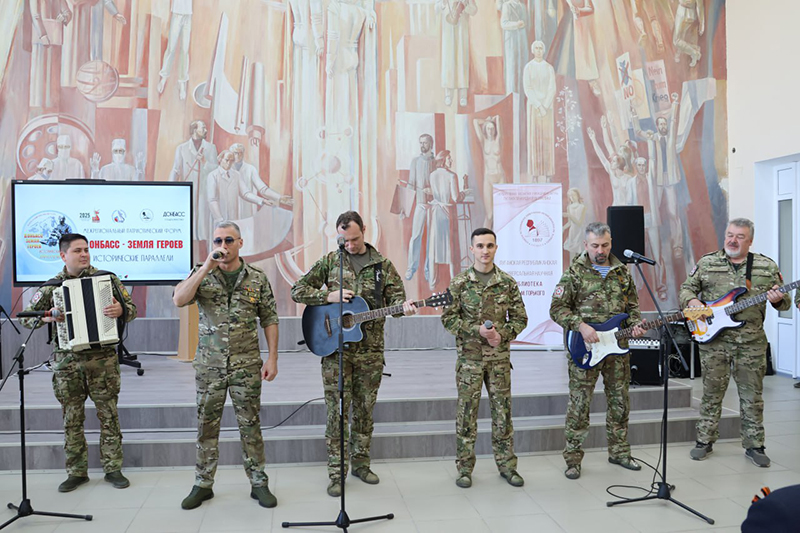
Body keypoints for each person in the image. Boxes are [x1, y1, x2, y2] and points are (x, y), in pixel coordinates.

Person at [290, 211, 417, 497]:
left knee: (364, 411)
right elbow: (297, 290)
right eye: (344, 240)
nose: (349, 245)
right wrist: (327, 296)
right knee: (336, 414)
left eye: (354, 239)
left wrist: (405, 308)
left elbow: (397, 302)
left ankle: (361, 464)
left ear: (365, 230)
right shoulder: (330, 261)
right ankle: (336, 474)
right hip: (335, 352)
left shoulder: (382, 266)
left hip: (370, 353)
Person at [172, 221, 279, 510]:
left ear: (240, 243)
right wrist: (206, 267)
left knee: (250, 425)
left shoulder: (257, 278)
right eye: (218, 240)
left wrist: (272, 358)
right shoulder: (202, 273)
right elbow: (179, 299)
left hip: (246, 365)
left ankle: (258, 482)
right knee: (206, 426)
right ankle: (203, 484)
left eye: (229, 240)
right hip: (210, 366)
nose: (223, 246)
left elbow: (269, 318)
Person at [20, 233, 136, 492]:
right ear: (63, 255)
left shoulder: (107, 279)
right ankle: (76, 472)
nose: (84, 254)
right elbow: (26, 318)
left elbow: (132, 310)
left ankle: (113, 468)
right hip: (67, 363)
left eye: (86, 250)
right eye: (77, 251)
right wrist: (47, 318)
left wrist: (121, 311)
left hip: (103, 361)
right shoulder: (52, 286)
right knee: (72, 418)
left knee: (109, 416)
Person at [680, 218, 790, 467]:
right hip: (713, 342)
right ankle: (704, 441)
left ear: (750, 241)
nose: (733, 240)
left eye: (740, 237)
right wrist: (693, 302)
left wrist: (777, 300)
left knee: (752, 397)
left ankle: (755, 446)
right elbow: (686, 289)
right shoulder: (707, 263)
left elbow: (784, 303)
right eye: (730, 235)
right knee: (711, 394)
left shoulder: (766, 266)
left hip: (751, 343)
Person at [549, 222, 645, 479]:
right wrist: (580, 326)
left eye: (604, 245)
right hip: (586, 348)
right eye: (594, 246)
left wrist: (635, 325)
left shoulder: (622, 272)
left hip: (617, 349)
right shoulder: (574, 273)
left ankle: (619, 452)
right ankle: (573, 459)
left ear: (611, 243)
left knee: (620, 403)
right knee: (579, 405)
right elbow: (557, 308)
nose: (600, 251)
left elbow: (632, 307)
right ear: (585, 245)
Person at [441, 227, 527, 489]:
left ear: (496, 248)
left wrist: (503, 334)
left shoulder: (507, 282)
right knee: (466, 416)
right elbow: (448, 319)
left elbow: (520, 318)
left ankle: (507, 467)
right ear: (472, 249)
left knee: (503, 415)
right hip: (470, 361)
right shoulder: (459, 283)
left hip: (499, 361)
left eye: (490, 245)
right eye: (480, 246)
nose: (485, 251)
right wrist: (475, 330)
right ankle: (464, 469)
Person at [405, 133, 435, 281]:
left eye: (425, 142)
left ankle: (428, 270)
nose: (422, 145)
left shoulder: (436, 162)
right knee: (415, 237)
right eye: (420, 142)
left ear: (431, 144)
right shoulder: (415, 162)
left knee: (431, 240)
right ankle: (411, 268)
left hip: (434, 207)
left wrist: (433, 191)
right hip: (420, 205)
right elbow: (411, 185)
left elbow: (441, 184)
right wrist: (405, 207)